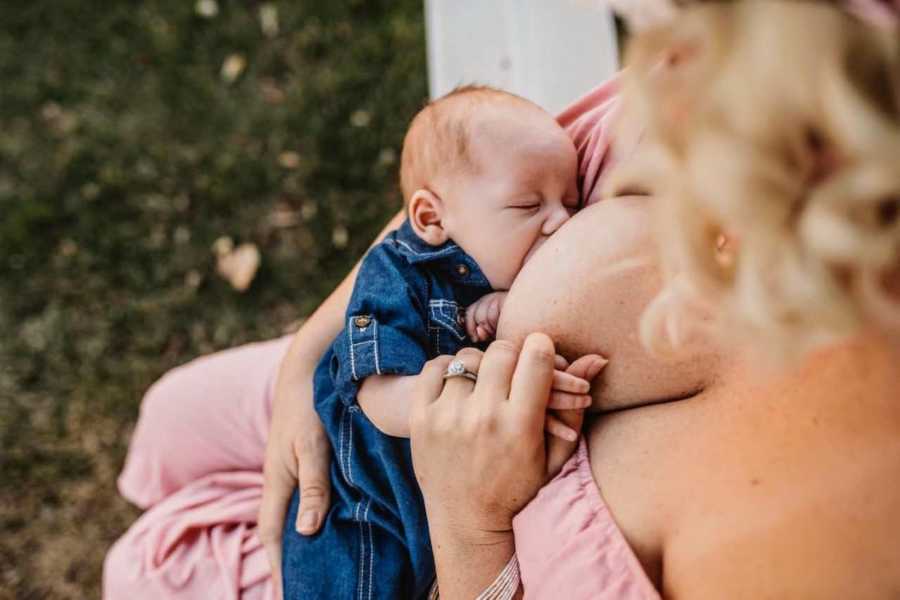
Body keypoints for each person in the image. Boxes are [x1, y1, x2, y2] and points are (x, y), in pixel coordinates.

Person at [102, 2, 900, 599]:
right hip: (392, 373)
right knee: (174, 415)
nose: (665, 77)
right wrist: (313, 354)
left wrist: (469, 521)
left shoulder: (836, 535)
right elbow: (462, 188)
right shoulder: (758, 53)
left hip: (409, 550)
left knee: (142, 570)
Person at [279, 85, 598, 599]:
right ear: (429, 218)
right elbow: (376, 393)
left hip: (430, 511)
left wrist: (503, 308)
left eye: (571, 201)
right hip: (362, 508)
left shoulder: (499, 266)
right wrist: (473, 400)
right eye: (527, 204)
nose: (561, 221)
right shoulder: (396, 276)